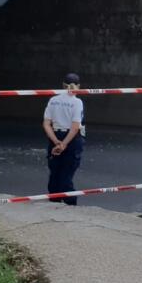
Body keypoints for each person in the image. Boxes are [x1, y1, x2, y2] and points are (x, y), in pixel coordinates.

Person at [43, 72, 85, 204]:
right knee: (67, 173)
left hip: (55, 136)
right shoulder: (77, 102)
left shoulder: (53, 100)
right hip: (71, 139)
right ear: (79, 86)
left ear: (62, 85)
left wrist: (56, 142)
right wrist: (64, 144)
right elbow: (75, 127)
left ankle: (54, 202)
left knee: (55, 172)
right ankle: (70, 203)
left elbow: (46, 123)